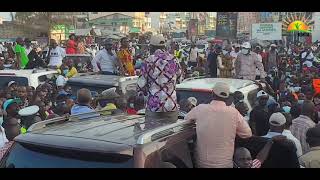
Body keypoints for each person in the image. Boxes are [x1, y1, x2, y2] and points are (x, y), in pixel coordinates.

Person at [185, 82, 252, 168]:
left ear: (212, 93)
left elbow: (185, 122)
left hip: (202, 164)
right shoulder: (233, 113)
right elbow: (247, 134)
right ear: (227, 97)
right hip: (225, 165)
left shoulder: (200, 109)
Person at [137, 35, 181, 125]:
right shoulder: (174, 59)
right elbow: (179, 77)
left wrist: (141, 93)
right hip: (171, 105)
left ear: (151, 47)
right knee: (169, 135)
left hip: (154, 106)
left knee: (152, 136)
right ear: (164, 46)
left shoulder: (148, 61)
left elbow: (141, 83)